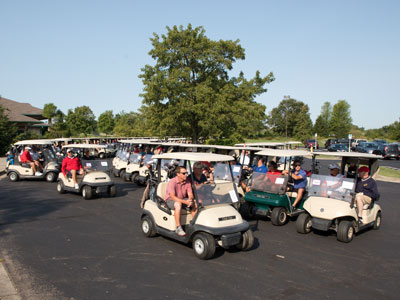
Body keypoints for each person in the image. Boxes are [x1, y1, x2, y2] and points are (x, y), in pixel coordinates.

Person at [164, 166, 197, 236]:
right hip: (170, 200)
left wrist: (190, 200)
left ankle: (195, 224)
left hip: (181, 199)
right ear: (178, 174)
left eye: (186, 173)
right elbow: (172, 197)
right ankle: (178, 227)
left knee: (195, 203)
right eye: (184, 173)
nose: (186, 175)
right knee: (178, 204)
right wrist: (185, 202)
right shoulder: (172, 182)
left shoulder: (187, 182)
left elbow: (190, 194)